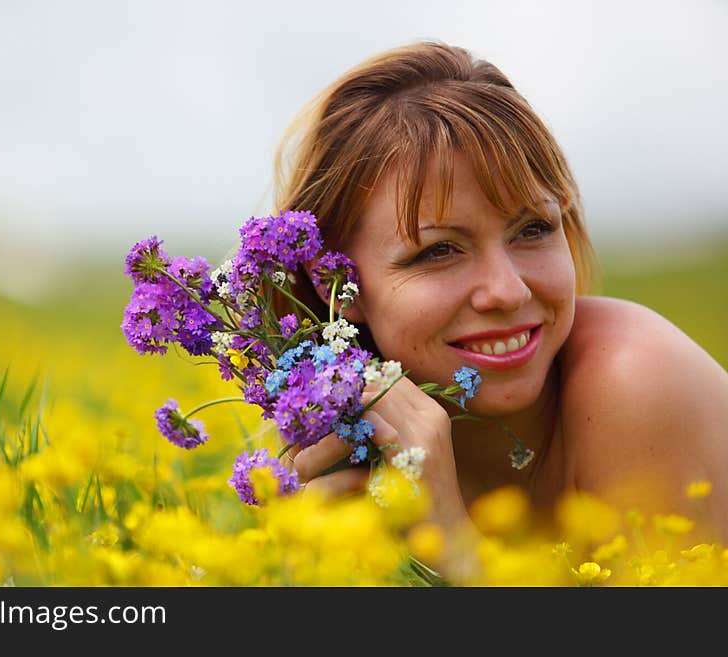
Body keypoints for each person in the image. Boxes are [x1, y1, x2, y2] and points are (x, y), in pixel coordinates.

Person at [271, 41, 728, 565]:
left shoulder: (639, 378)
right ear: (335, 284)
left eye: (532, 229)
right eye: (439, 250)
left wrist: (458, 556)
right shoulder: (325, 432)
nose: (508, 290)